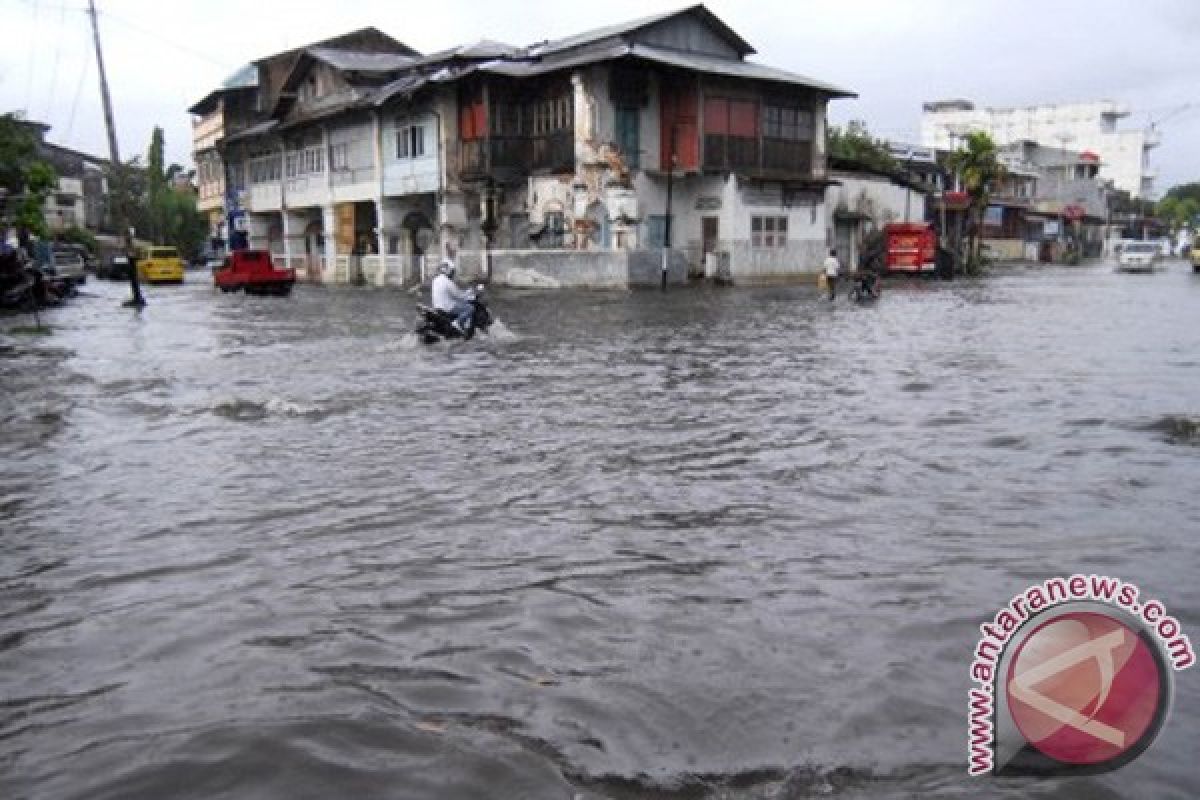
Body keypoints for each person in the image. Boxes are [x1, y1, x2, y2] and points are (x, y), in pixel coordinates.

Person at [431, 258, 473, 334]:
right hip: (448, 307)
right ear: (448, 270)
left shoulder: (435, 280)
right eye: (452, 271)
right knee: (470, 308)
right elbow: (459, 295)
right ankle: (458, 323)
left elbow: (447, 294)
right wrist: (469, 294)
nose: (452, 274)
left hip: (437, 307)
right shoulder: (447, 282)